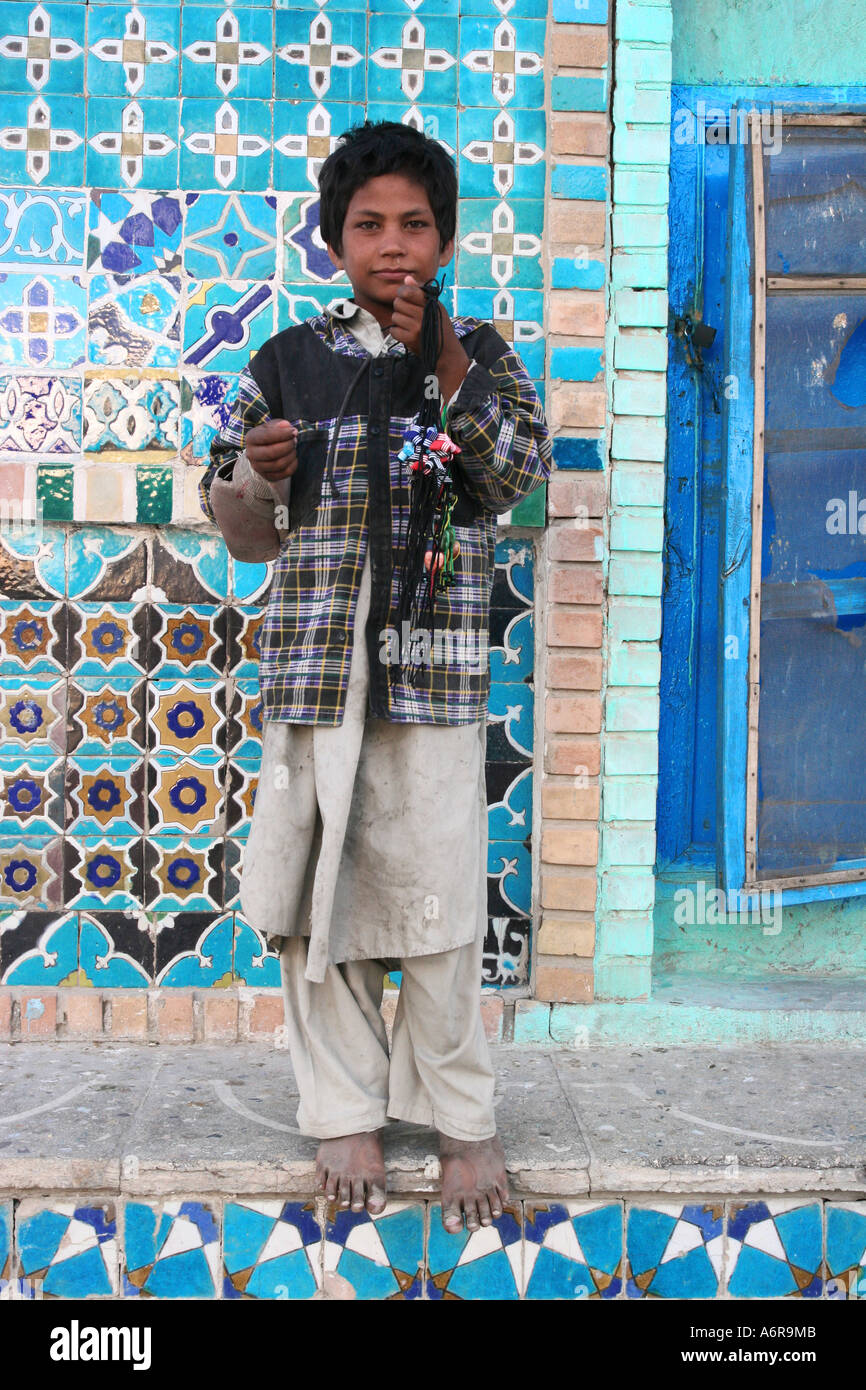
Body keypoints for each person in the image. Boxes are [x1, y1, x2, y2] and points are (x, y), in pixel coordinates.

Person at [198, 120, 551, 1235]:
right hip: (314, 678)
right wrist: (253, 476)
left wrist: (438, 356)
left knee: (438, 908)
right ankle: (342, 1107)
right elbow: (240, 530)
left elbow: (511, 478)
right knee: (320, 904)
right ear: (333, 242)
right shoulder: (286, 361)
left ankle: (458, 1116)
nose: (391, 245)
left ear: (443, 240)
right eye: (367, 226)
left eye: (412, 225)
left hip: (432, 676)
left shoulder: (479, 354)